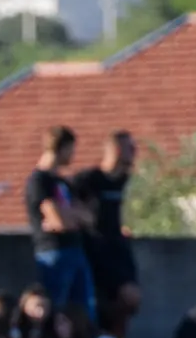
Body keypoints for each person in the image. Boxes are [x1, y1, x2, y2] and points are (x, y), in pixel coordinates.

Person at [23, 125, 95, 312]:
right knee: (56, 308)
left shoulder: (63, 183)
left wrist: (69, 215)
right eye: (71, 149)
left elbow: (89, 218)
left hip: (76, 250)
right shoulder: (39, 181)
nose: (73, 155)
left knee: (83, 311)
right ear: (62, 148)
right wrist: (70, 216)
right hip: (54, 252)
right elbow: (59, 221)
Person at [74, 130, 138, 317]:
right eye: (130, 147)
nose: (135, 152)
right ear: (116, 149)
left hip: (119, 248)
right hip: (94, 248)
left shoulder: (127, 182)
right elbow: (72, 206)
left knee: (131, 299)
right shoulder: (89, 180)